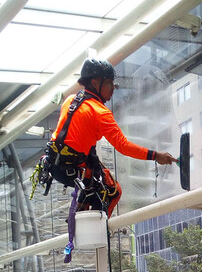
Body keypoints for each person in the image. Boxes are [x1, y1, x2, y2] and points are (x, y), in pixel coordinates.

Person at [46, 59, 177, 218]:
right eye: (108, 83)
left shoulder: (70, 100)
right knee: (112, 192)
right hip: (73, 169)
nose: (112, 88)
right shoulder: (100, 112)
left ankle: (81, 217)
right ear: (95, 83)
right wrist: (155, 156)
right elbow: (123, 146)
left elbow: (72, 136)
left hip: (54, 164)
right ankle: (98, 230)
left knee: (99, 184)